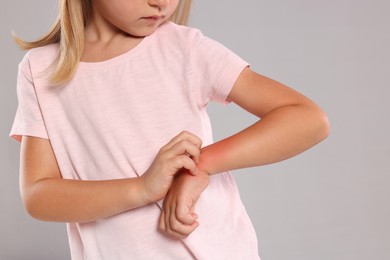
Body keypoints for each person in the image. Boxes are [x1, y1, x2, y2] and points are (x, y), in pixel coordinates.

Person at [9, 0, 329, 259]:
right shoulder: (40, 71)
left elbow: (307, 119)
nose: (160, 2)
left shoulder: (184, 48)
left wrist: (197, 167)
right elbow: (38, 195)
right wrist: (143, 188)